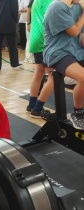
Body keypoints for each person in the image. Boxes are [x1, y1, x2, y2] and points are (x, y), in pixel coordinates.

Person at [43, 0, 84, 130]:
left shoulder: (77, 7)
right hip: (57, 52)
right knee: (83, 78)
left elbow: (81, 36)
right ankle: (77, 113)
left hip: (75, 51)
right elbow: (74, 32)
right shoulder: (57, 6)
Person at [26, 0, 54, 119]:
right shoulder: (49, 1)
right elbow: (50, 20)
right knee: (54, 76)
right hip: (44, 41)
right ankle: (37, 109)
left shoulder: (36, 1)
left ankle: (32, 105)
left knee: (39, 73)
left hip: (36, 40)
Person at [0, 0, 20, 72]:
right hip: (9, 23)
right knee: (12, 46)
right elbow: (14, 10)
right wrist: (15, 21)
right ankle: (15, 64)